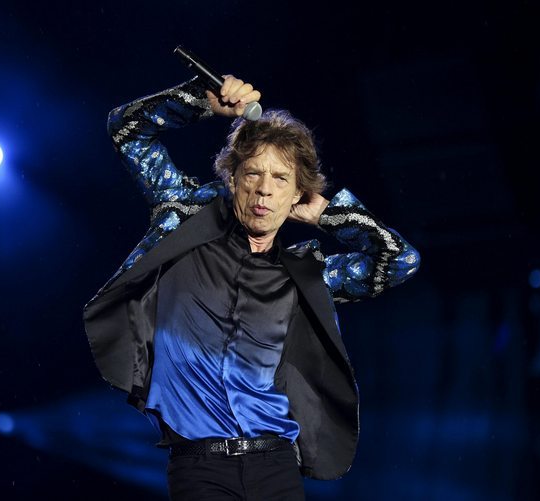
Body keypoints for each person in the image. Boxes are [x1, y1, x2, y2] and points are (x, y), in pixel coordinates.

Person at [83, 74, 420, 500]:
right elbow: (126, 129)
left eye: (281, 179)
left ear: (297, 194)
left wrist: (329, 215)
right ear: (232, 178)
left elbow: (401, 261)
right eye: (254, 173)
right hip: (199, 467)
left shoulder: (304, 277)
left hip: (275, 467)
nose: (264, 190)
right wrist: (201, 101)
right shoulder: (182, 222)